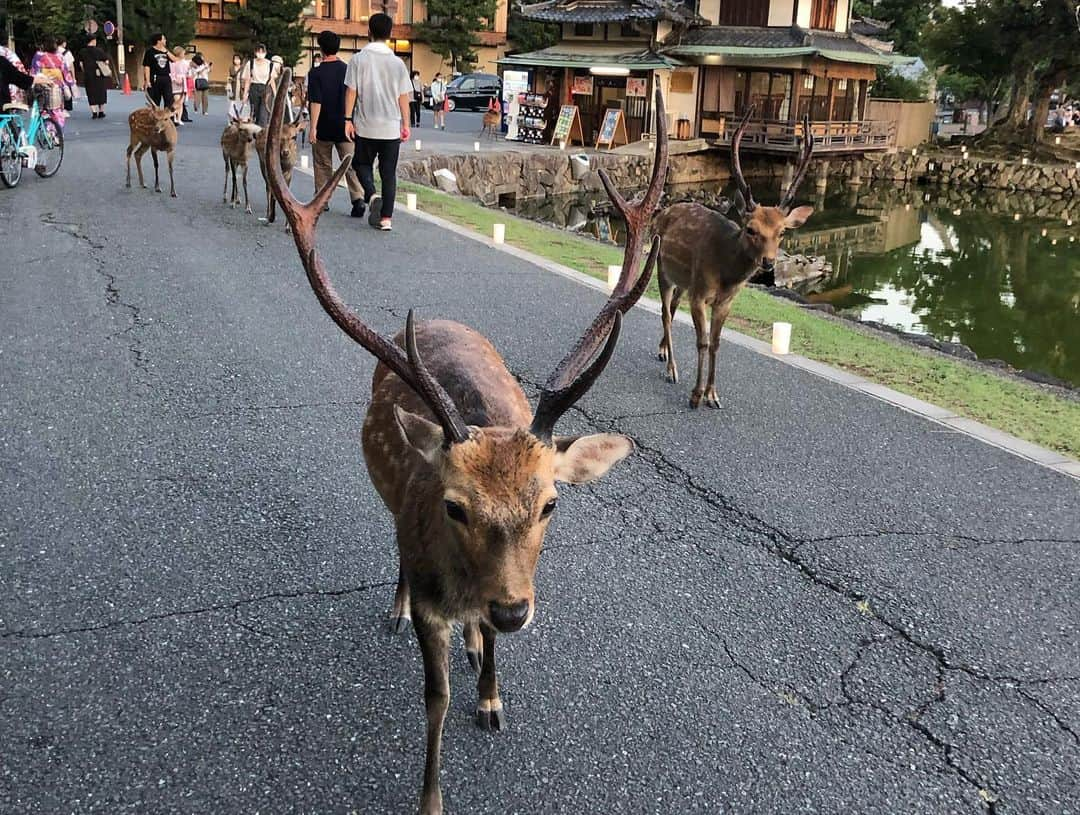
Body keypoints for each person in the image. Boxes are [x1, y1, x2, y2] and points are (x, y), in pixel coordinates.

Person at [344, 13, 413, 231]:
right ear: (390, 34)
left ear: (369, 32)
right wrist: (406, 124)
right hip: (391, 126)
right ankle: (386, 219)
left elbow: (351, 92)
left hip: (366, 124)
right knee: (388, 172)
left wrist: (347, 119)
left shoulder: (358, 59)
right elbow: (404, 96)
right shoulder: (398, 63)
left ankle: (372, 194)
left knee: (360, 163)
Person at [307, 30, 365, 215]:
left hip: (324, 124)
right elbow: (355, 96)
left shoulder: (316, 73)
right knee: (349, 163)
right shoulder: (347, 69)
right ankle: (358, 198)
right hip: (345, 125)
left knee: (322, 163)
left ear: (321, 48)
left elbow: (316, 102)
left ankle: (323, 200)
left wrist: (313, 128)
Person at [31, 36, 74, 126]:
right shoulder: (59, 57)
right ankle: (56, 133)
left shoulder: (38, 56)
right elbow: (65, 73)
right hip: (56, 88)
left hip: (41, 85)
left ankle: (45, 129)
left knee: (43, 110)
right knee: (57, 111)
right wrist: (70, 83)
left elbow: (34, 71)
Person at [142, 33, 178, 110]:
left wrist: (166, 51)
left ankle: (167, 117)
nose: (165, 40)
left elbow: (175, 60)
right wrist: (147, 80)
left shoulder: (166, 51)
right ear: (159, 41)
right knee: (156, 99)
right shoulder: (150, 52)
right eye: (164, 39)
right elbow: (147, 66)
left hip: (166, 77)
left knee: (169, 98)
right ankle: (155, 116)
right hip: (155, 77)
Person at [78, 35, 109, 119]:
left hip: (88, 75)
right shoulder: (99, 51)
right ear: (93, 41)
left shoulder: (82, 51)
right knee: (101, 92)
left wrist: (86, 70)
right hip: (99, 75)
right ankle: (101, 111)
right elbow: (106, 61)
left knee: (91, 93)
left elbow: (81, 64)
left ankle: (94, 112)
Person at [241, 44, 272, 126]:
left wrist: (275, 93)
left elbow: (272, 80)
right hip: (254, 88)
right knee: (255, 113)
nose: (260, 53)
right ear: (255, 52)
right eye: (258, 51)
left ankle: (262, 133)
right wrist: (245, 94)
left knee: (263, 114)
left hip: (266, 88)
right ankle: (256, 132)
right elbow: (248, 80)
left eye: (262, 51)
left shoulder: (270, 64)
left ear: (265, 53)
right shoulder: (250, 63)